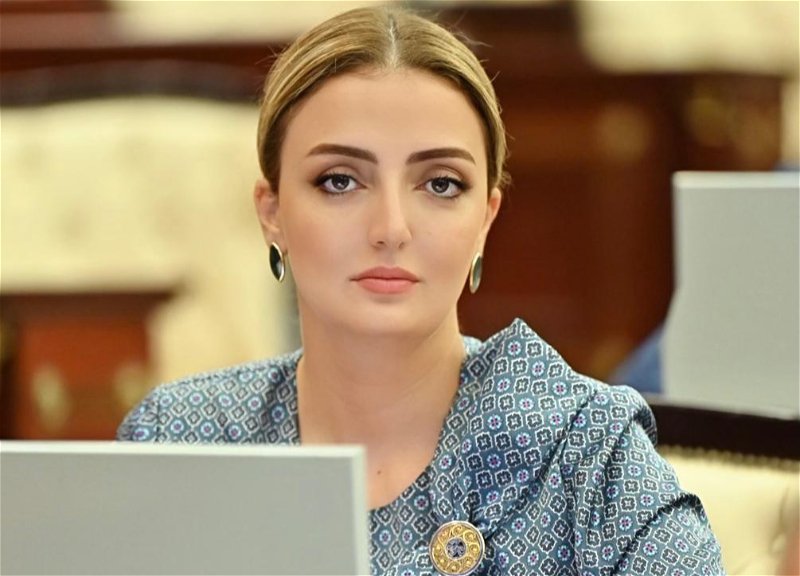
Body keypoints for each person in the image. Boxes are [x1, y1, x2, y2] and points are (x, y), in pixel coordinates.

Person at [117, 5, 725, 575]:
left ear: (485, 220)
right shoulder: (179, 439)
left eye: (440, 184)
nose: (391, 229)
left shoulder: (586, 453)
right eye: (339, 180)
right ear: (272, 212)